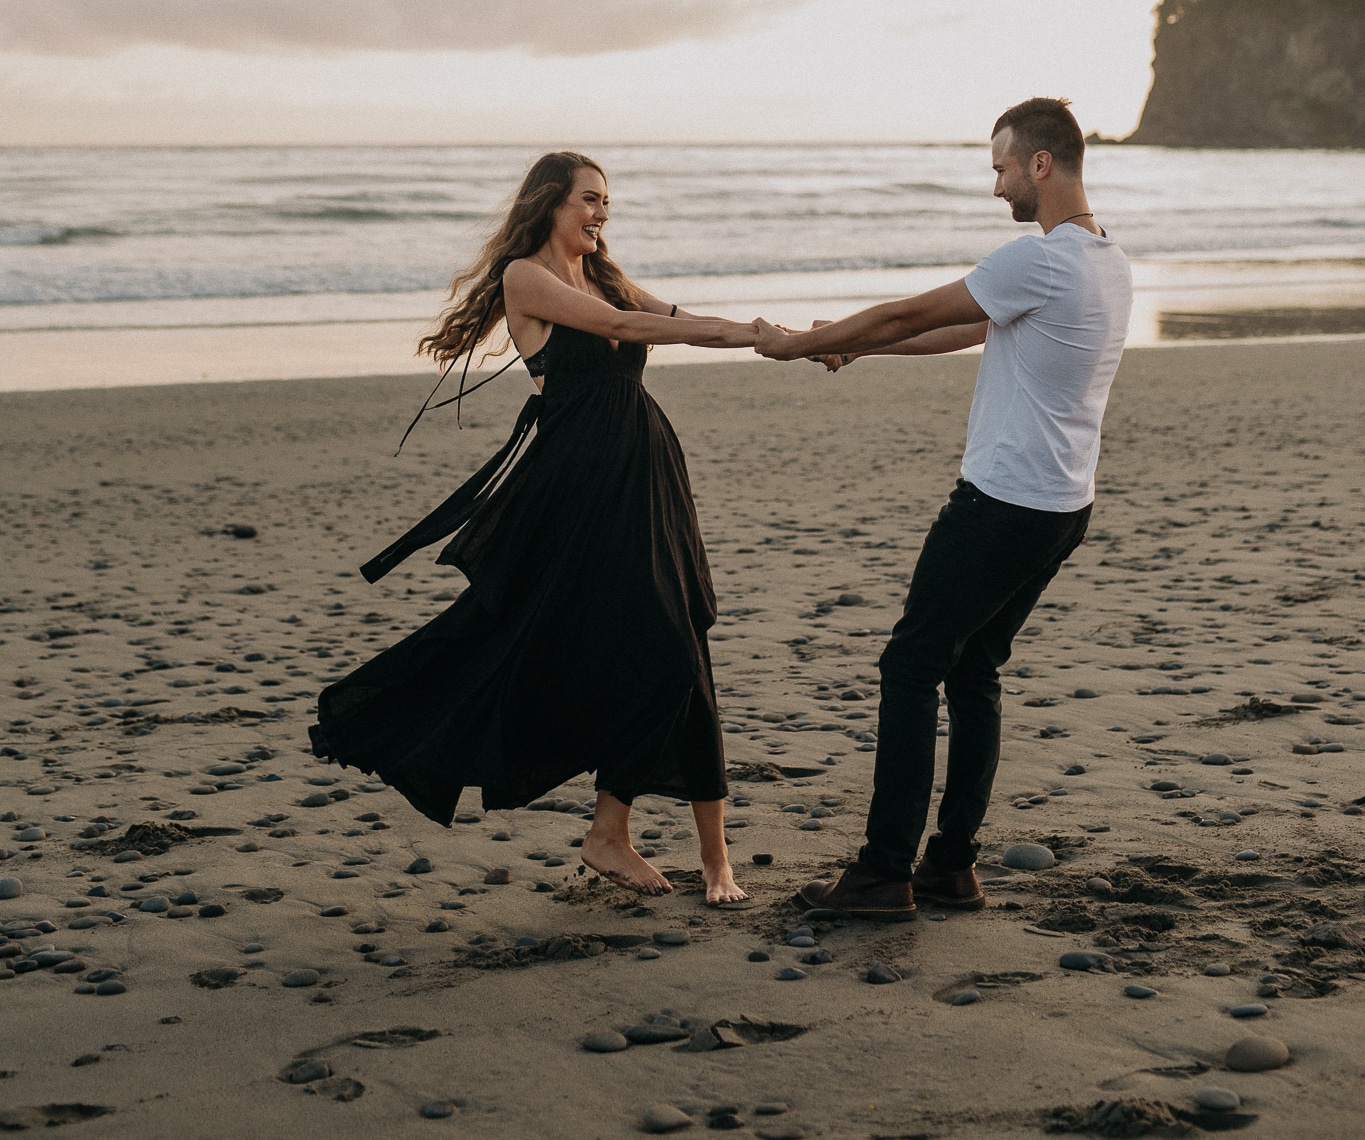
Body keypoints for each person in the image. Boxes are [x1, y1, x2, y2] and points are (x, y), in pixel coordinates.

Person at [311, 151, 758, 906]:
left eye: (607, 202)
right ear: (549, 202)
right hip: (577, 487)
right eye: (588, 199)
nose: (600, 213)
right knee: (627, 644)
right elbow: (622, 327)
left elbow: (676, 318)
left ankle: (679, 849)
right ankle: (618, 836)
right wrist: (756, 333)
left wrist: (785, 339)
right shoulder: (526, 277)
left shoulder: (608, 278)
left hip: (646, 472)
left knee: (680, 638)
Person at [752, 98, 1132, 918]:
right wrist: (858, 345)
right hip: (1063, 505)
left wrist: (799, 342)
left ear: (1039, 163)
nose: (994, 186)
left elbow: (911, 310)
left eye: (999, 167)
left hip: (999, 505)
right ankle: (950, 866)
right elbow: (963, 332)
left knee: (908, 665)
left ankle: (883, 872)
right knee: (972, 669)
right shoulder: (1105, 260)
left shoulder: (1042, 260)